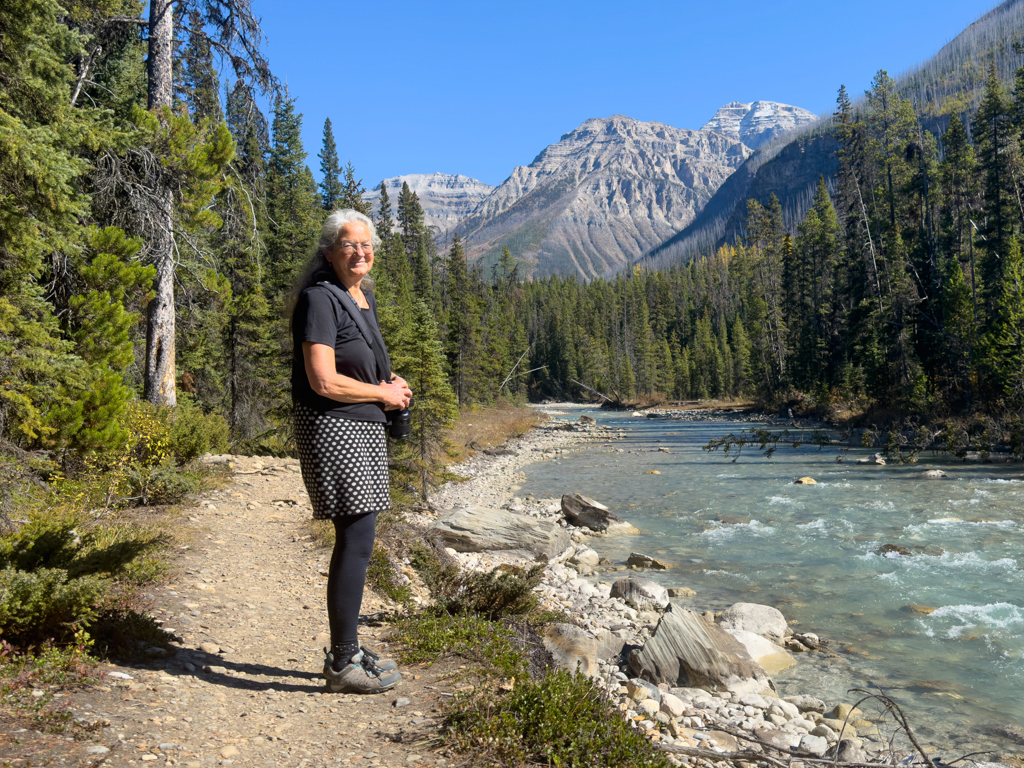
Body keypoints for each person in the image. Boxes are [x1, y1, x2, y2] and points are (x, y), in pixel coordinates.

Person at [290, 209, 412, 693]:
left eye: (366, 244)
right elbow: (321, 379)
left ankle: (350, 650)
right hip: (333, 426)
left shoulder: (361, 297)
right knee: (357, 539)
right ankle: (343, 661)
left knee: (360, 538)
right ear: (328, 253)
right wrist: (381, 395)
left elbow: (359, 366)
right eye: (348, 244)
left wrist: (389, 384)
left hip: (361, 427)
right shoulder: (319, 299)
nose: (360, 252)